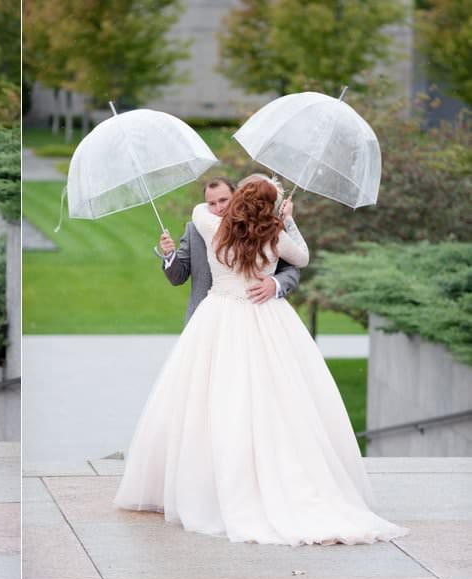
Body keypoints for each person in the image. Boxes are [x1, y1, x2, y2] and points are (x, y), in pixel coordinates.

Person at [114, 178, 407, 545]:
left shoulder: (210, 223)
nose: (219, 204)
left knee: (227, 402)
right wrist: (285, 218)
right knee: (257, 400)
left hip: (221, 318)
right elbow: (302, 256)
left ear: (237, 199)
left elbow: (208, 215)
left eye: (229, 198)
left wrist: (265, 219)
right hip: (263, 322)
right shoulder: (274, 236)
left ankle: (215, 490)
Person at [159, 175, 300, 326]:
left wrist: (275, 283)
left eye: (223, 200)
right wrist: (169, 254)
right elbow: (177, 277)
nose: (219, 208)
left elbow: (291, 269)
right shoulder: (194, 230)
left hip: (253, 317)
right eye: (211, 203)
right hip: (204, 321)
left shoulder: (261, 228)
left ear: (236, 196)